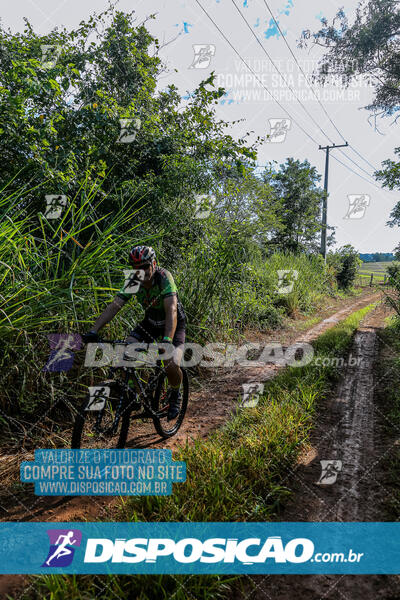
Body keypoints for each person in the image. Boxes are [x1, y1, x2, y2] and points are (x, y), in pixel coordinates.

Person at [82, 246, 186, 420]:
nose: (141, 272)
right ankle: (134, 395)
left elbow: (172, 310)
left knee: (170, 360)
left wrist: (167, 339)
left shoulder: (163, 278)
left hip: (173, 323)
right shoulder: (134, 281)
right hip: (151, 323)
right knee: (124, 352)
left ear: (154, 264)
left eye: (145, 267)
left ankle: (175, 393)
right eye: (136, 268)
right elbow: (115, 306)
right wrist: (94, 330)